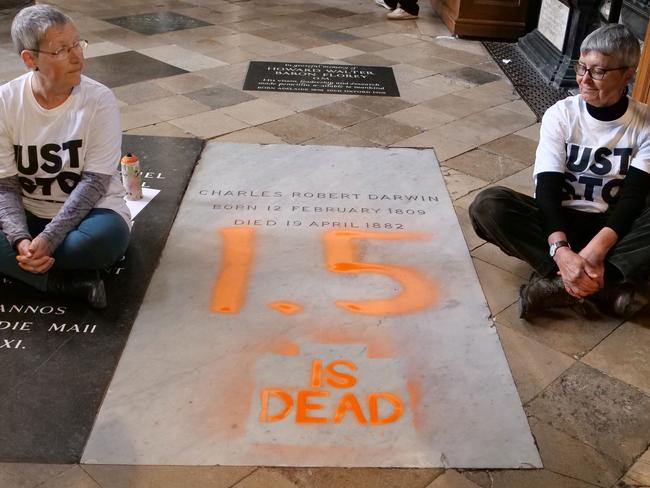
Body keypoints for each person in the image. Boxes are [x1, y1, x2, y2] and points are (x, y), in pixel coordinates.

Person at [469, 24, 649, 319]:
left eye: (598, 72)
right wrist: (562, 252)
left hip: (614, 228)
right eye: (582, 67)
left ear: (628, 75)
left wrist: (593, 252)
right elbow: (547, 189)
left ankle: (558, 285)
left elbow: (633, 198)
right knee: (488, 206)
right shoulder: (561, 114)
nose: (584, 80)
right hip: (560, 223)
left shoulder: (644, 123)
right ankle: (603, 287)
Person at [0, 4, 130, 309]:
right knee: (20, 239)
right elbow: (4, 186)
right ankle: (64, 284)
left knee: (101, 242)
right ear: (30, 59)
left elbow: (94, 183)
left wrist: (46, 240)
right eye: (61, 50)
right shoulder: (5, 102)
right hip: (26, 213)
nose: (77, 57)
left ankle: (27, 269)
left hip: (90, 216)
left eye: (77, 44)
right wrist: (20, 238)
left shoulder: (99, 100)